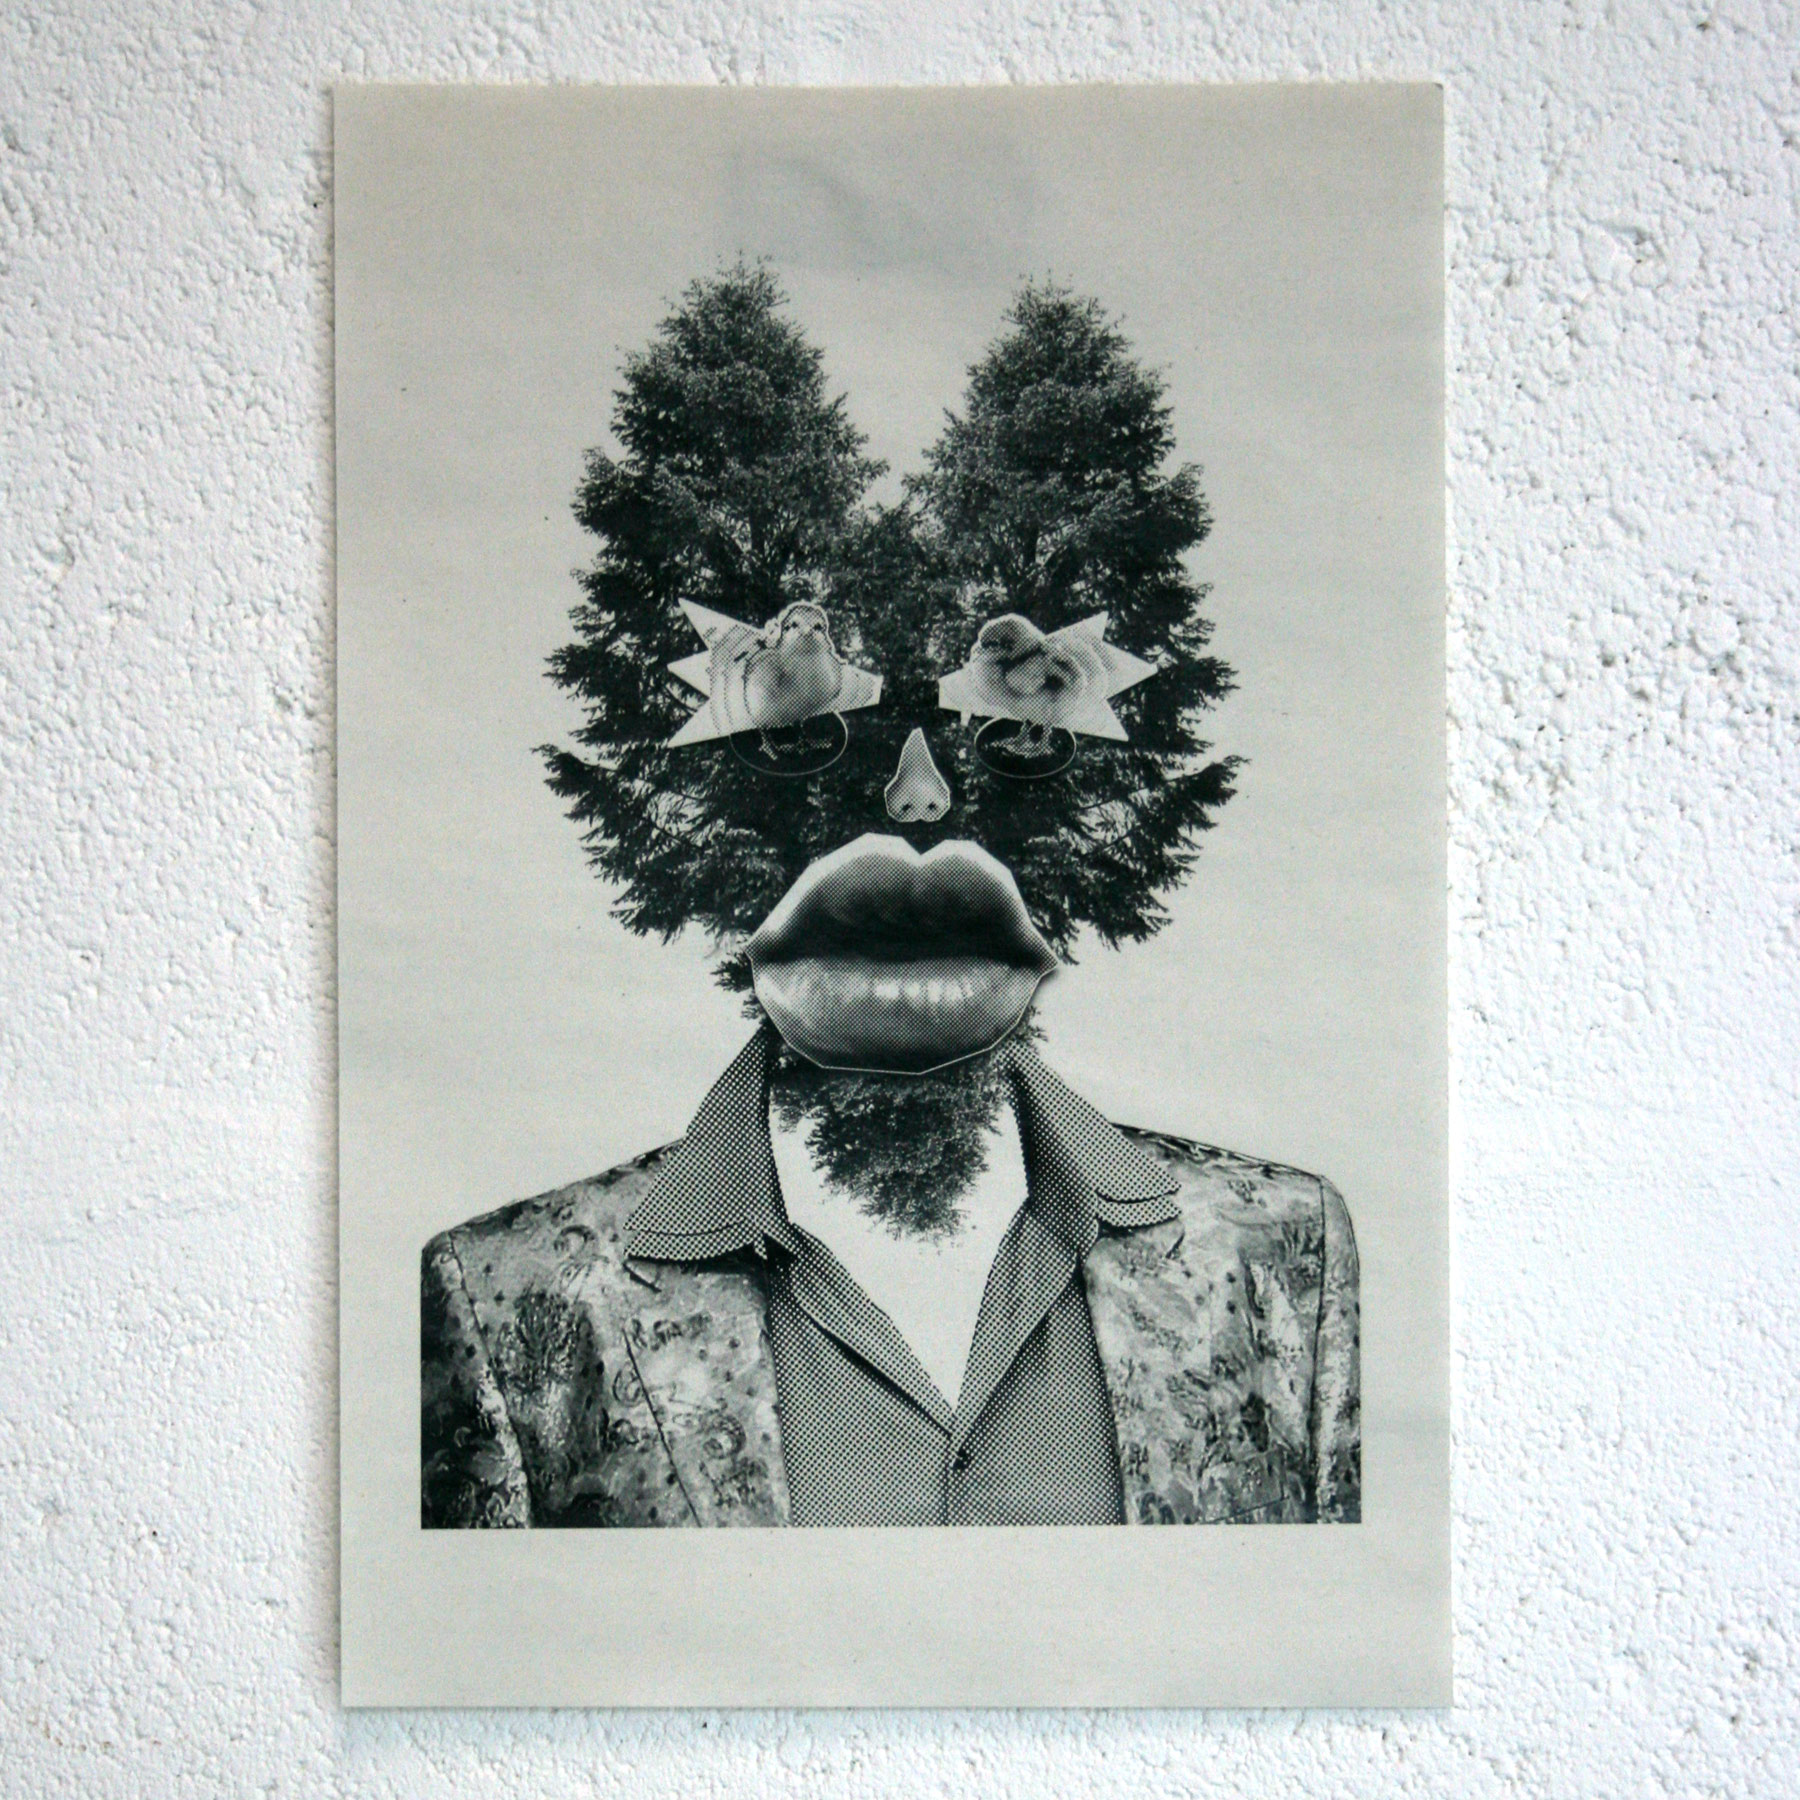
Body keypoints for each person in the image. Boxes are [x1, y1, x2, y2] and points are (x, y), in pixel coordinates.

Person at [420, 271, 1359, 1529]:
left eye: (1009, 730)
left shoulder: (1282, 1257)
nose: (917, 799)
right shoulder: (513, 1297)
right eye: (802, 734)